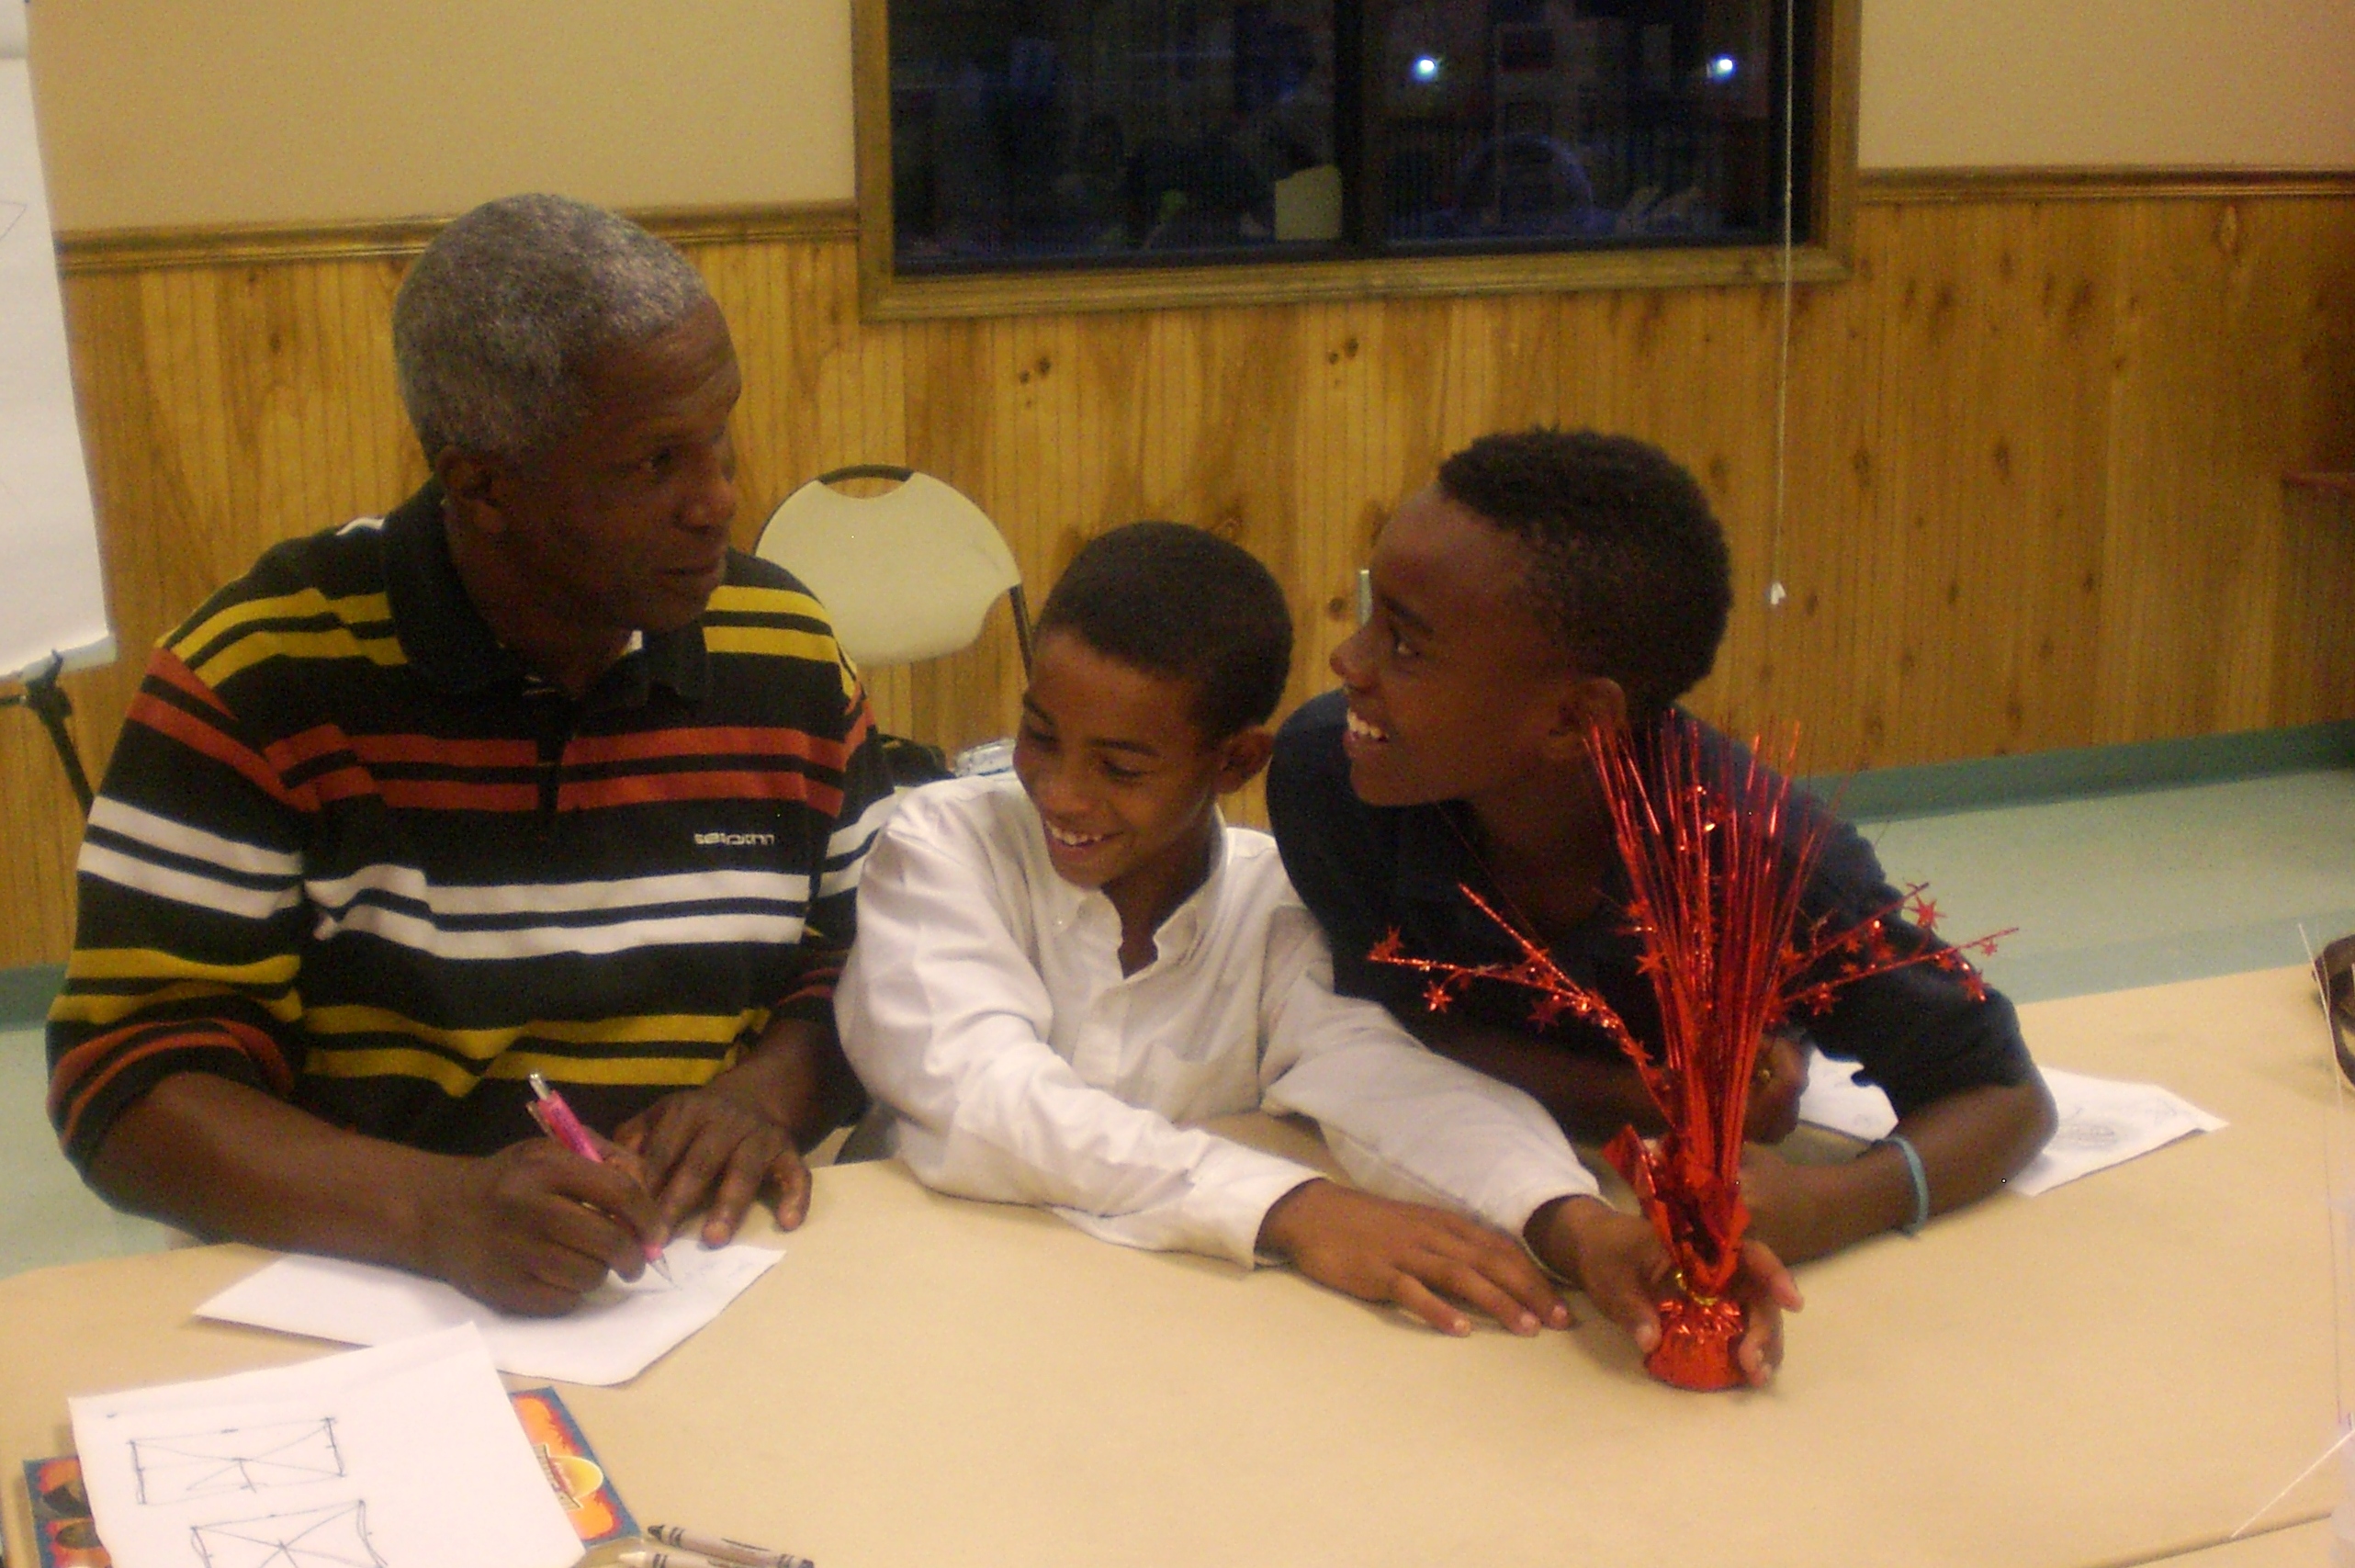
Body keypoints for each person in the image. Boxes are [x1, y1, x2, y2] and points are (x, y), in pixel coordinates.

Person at [47, 195, 891, 1314]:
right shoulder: (255, 678)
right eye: (654, 464)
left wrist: (765, 1093)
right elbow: (131, 1081)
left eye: (719, 437)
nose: (718, 500)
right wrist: (433, 1213)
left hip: (699, 1286)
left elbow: (884, 960)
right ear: (482, 484)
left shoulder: (783, 650)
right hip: (365, 1301)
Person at [837, 522, 1798, 1376]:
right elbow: (988, 1098)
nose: (1061, 792)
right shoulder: (940, 845)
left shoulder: (1273, 897)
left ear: (1238, 761)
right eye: (1039, 736)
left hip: (1159, 1349)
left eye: (1120, 767)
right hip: (937, 1326)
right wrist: (1290, 1207)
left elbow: (1383, 1079)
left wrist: (1570, 1222)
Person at [1268, 429, 2057, 1265]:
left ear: (1575, 719)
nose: (1347, 660)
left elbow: (2005, 1096)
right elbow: (1398, 1023)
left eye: (1406, 644)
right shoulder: (1332, 778)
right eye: (1369, 616)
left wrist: (1829, 1206)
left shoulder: (1762, 861)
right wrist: (1650, 1097)